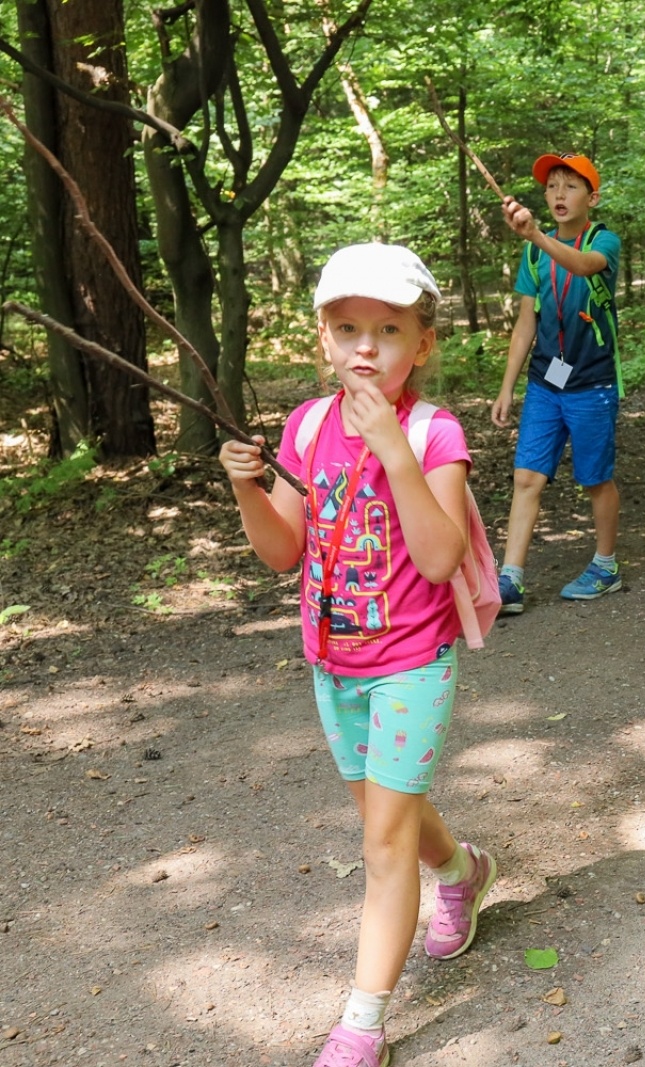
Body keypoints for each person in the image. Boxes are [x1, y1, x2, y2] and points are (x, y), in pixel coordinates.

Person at [219, 243, 497, 1067]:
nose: (366, 347)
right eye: (347, 328)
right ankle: (462, 871)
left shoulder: (433, 432)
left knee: (382, 843)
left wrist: (395, 452)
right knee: (388, 812)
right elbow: (282, 551)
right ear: (324, 338)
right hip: (332, 662)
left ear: (423, 342)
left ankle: (362, 1024)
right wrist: (244, 486)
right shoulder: (306, 427)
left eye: (389, 329)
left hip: (413, 662)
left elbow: (439, 558)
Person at [491, 152, 624, 613]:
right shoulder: (534, 250)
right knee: (527, 476)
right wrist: (507, 386)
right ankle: (511, 579)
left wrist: (535, 236)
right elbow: (526, 322)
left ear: (592, 197)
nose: (558, 194)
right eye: (551, 187)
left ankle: (605, 566)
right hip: (546, 383)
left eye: (570, 186)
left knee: (595, 478)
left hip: (593, 383)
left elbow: (584, 265)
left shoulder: (603, 240)